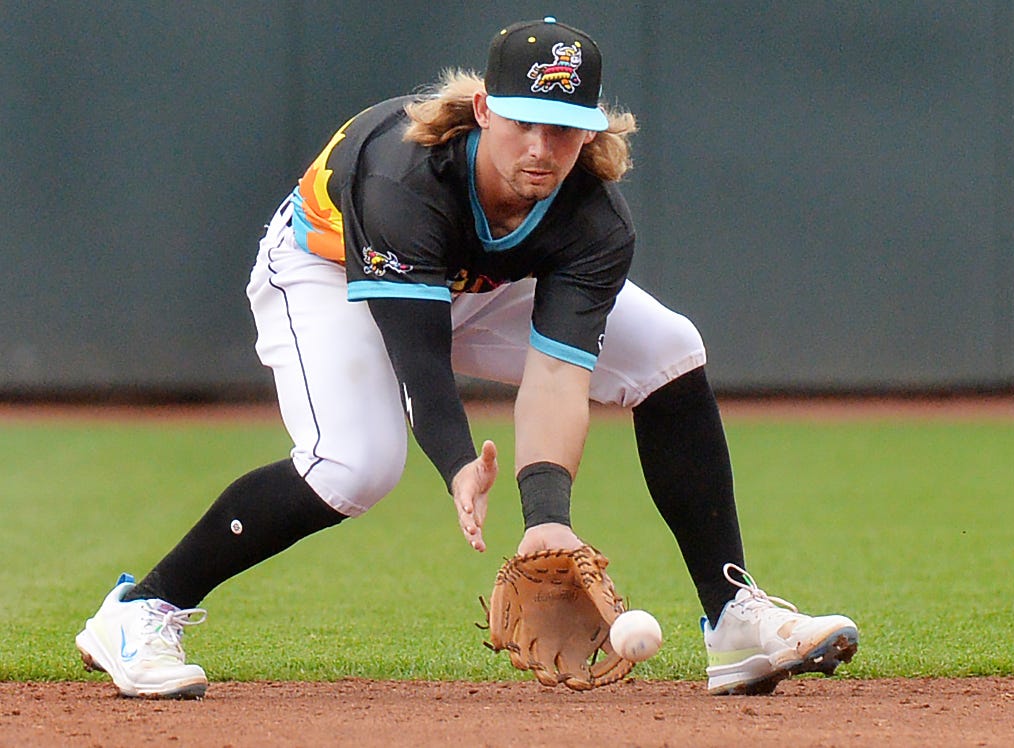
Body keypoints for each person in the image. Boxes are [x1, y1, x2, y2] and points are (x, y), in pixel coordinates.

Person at [76, 17, 858, 699]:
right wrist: (458, 465)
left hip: (478, 284)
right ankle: (141, 610)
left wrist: (545, 522)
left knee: (667, 349)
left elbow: (558, 371)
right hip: (328, 267)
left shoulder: (593, 216)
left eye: (565, 127)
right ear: (483, 109)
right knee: (355, 465)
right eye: (524, 122)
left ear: (594, 128)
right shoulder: (403, 177)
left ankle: (732, 618)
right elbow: (419, 362)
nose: (543, 147)